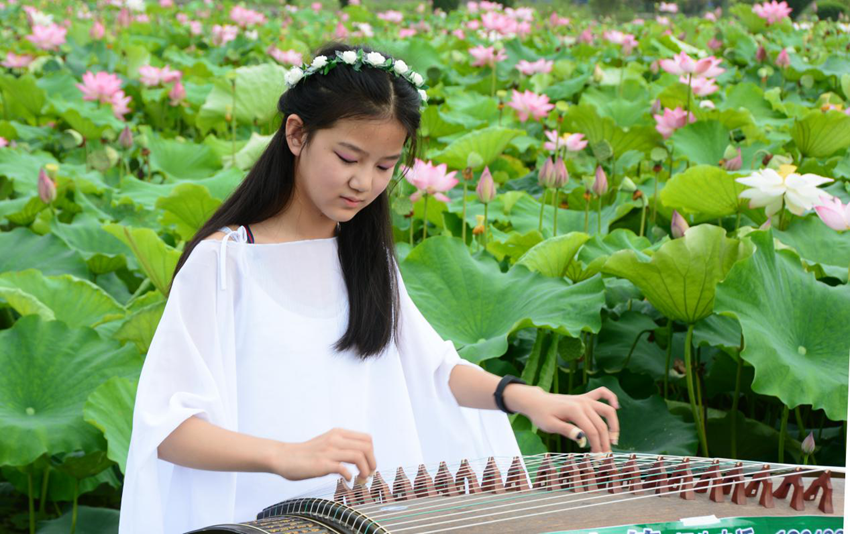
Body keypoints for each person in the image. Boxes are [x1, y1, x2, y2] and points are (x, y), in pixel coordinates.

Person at [118, 41, 620, 534]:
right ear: (296, 134)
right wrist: (285, 455)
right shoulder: (225, 262)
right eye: (348, 157)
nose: (364, 182)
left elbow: (434, 371)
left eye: (384, 166)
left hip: (362, 519)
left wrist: (526, 397)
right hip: (261, 522)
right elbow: (169, 429)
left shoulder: (366, 259)